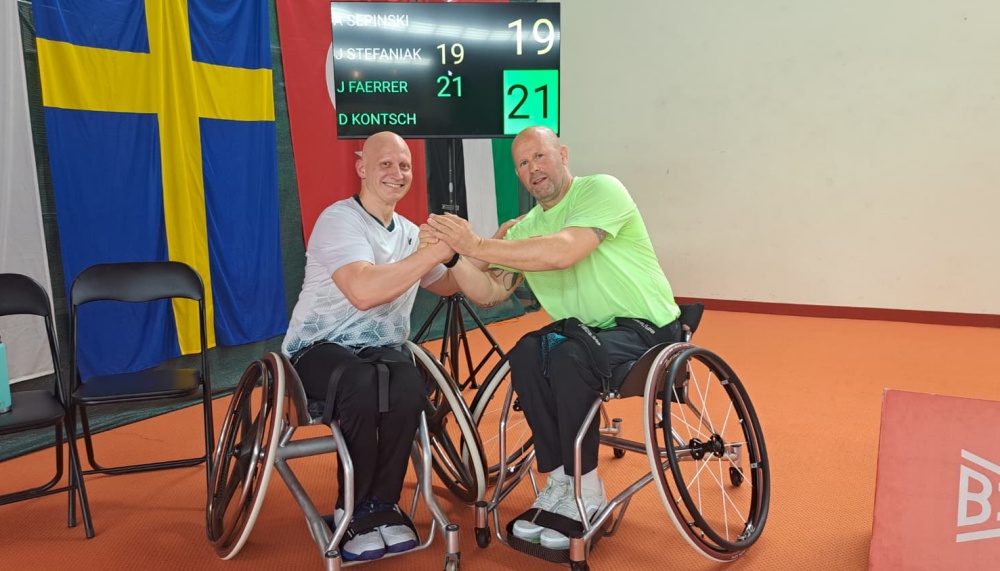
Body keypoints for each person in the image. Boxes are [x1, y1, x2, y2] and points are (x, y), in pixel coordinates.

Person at [422, 126, 682, 551]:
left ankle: (588, 488)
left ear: (562, 154)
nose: (532, 169)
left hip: (646, 330)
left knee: (567, 356)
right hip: (586, 335)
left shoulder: (601, 190)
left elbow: (562, 250)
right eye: (522, 164)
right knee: (527, 350)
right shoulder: (525, 227)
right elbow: (489, 293)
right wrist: (453, 255)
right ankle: (560, 481)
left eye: (539, 156)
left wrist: (479, 244)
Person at [282, 131, 460, 561]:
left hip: (379, 350)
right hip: (316, 349)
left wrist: (480, 254)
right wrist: (433, 251)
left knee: (406, 382)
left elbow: (450, 283)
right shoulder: (339, 220)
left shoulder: (409, 234)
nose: (397, 174)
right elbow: (362, 291)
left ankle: (383, 503)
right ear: (362, 168)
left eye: (405, 166)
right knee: (361, 380)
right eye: (385, 164)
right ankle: (354, 506)